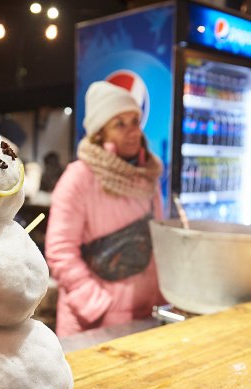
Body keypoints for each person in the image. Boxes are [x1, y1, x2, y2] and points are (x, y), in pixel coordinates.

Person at [45, 81, 166, 337]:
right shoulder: (78, 178)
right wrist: (96, 304)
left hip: (146, 314)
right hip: (95, 323)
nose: (133, 131)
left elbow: (156, 243)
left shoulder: (148, 177)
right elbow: (60, 251)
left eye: (134, 121)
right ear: (100, 133)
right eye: (119, 124)